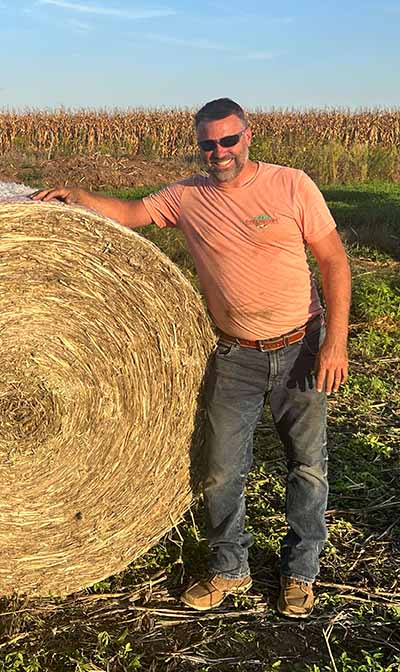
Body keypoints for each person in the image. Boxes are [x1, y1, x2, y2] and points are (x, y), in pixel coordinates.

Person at [33, 97, 350, 619]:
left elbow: (334, 259)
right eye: (208, 143)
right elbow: (132, 214)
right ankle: (229, 568)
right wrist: (80, 196)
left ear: (248, 136)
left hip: (302, 346)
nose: (219, 151)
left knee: (308, 467)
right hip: (236, 355)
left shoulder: (291, 184)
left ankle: (300, 572)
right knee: (222, 469)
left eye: (228, 140)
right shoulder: (186, 196)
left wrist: (335, 341)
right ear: (198, 144)